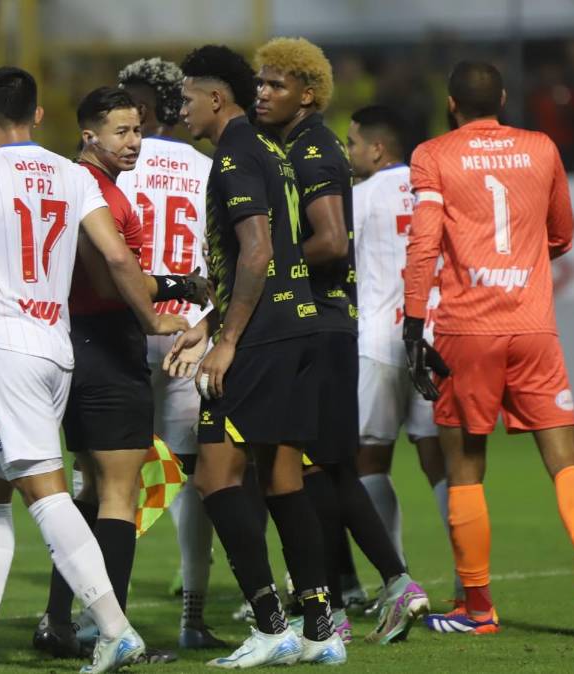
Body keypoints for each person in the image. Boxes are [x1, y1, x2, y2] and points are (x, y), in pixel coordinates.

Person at [0, 66, 186, 673]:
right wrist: (153, 317)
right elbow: (116, 255)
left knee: (46, 495)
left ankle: (114, 628)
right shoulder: (71, 175)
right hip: (57, 348)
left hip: (7, 350)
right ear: (39, 114)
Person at [404, 61, 574, 638]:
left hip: (466, 330)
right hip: (533, 326)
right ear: (503, 98)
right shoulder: (542, 147)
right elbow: (562, 234)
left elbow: (424, 243)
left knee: (465, 466)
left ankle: (478, 609)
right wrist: (520, 263)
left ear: (451, 104)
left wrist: (413, 325)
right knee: (565, 457)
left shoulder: (432, 154)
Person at [167, 44, 343, 667]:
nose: (181, 109)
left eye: (188, 98)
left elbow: (258, 250)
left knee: (214, 478)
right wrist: (208, 322)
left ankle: (271, 625)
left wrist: (226, 341)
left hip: (262, 339)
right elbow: (277, 256)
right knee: (283, 479)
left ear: (216, 98)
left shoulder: (236, 154)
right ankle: (320, 630)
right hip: (297, 327)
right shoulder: (271, 149)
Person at [254, 37, 429, 645]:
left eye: (276, 85)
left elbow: (330, 241)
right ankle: (370, 589)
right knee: (328, 468)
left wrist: (265, 269)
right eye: (260, 83)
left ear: (307, 94)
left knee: (309, 468)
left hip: (325, 326)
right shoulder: (309, 147)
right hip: (337, 326)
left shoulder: (313, 149)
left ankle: (333, 600)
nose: (263, 93)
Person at [34, 86, 201, 663]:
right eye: (122, 132)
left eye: (138, 131)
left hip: (72, 341)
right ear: (90, 136)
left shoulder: (72, 184)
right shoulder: (96, 193)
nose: (134, 143)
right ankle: (113, 632)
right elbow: (111, 276)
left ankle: (59, 619)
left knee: (88, 489)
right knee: (119, 495)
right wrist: (173, 292)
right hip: (105, 343)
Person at [115, 56, 225, 650]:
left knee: (109, 475)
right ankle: (192, 617)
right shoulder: (207, 168)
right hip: (191, 331)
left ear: (141, 108)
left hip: (130, 330)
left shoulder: (116, 170)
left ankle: (103, 614)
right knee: (191, 472)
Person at [345, 104, 463, 607]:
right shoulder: (437, 191)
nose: (348, 153)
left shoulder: (360, 196)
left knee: (369, 456)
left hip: (378, 340)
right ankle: (468, 580)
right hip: (435, 337)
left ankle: (397, 582)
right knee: (440, 459)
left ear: (378, 148)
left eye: (352, 143)